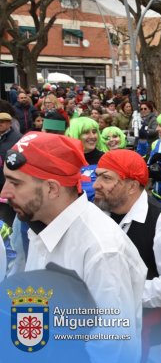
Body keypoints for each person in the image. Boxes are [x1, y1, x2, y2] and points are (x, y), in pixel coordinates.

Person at [0, 132, 147, 362]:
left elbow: (114, 349)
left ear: (51, 188)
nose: (4, 193)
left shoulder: (101, 249)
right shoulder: (39, 226)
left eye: (15, 183)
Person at [93, 149, 161, 363]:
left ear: (132, 186)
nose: (96, 185)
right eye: (97, 176)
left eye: (106, 178)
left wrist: (125, 296)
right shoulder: (98, 215)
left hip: (154, 335)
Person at [65, 117, 108, 202]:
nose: (92, 136)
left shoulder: (106, 159)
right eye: (86, 132)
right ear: (75, 134)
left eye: (94, 132)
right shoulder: (64, 160)